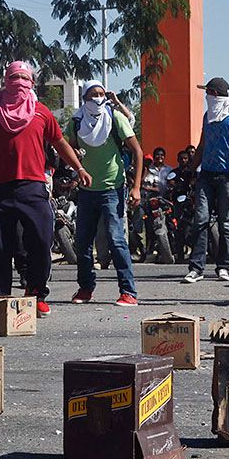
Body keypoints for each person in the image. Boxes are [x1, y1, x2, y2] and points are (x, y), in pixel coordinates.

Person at [0, 61, 90, 315]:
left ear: (32, 83)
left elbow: (60, 143)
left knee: (41, 240)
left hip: (33, 186)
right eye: (13, 77)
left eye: (24, 77)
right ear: (5, 81)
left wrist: (79, 169)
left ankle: (36, 293)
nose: (19, 82)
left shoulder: (41, 112)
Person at [65, 81, 143, 306]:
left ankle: (128, 291)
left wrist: (136, 187)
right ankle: (85, 288)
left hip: (112, 189)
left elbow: (137, 151)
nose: (98, 98)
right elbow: (70, 148)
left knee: (116, 240)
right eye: (93, 95)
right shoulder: (76, 122)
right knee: (83, 243)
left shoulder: (115, 118)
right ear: (84, 99)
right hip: (86, 191)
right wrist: (77, 162)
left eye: (101, 94)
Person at [182, 77, 229, 283]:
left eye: (208, 92)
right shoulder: (208, 116)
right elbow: (202, 146)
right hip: (206, 175)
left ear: (216, 94)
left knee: (226, 223)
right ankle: (196, 268)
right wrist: (190, 171)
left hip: (228, 176)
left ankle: (224, 267)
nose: (206, 96)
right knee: (200, 220)